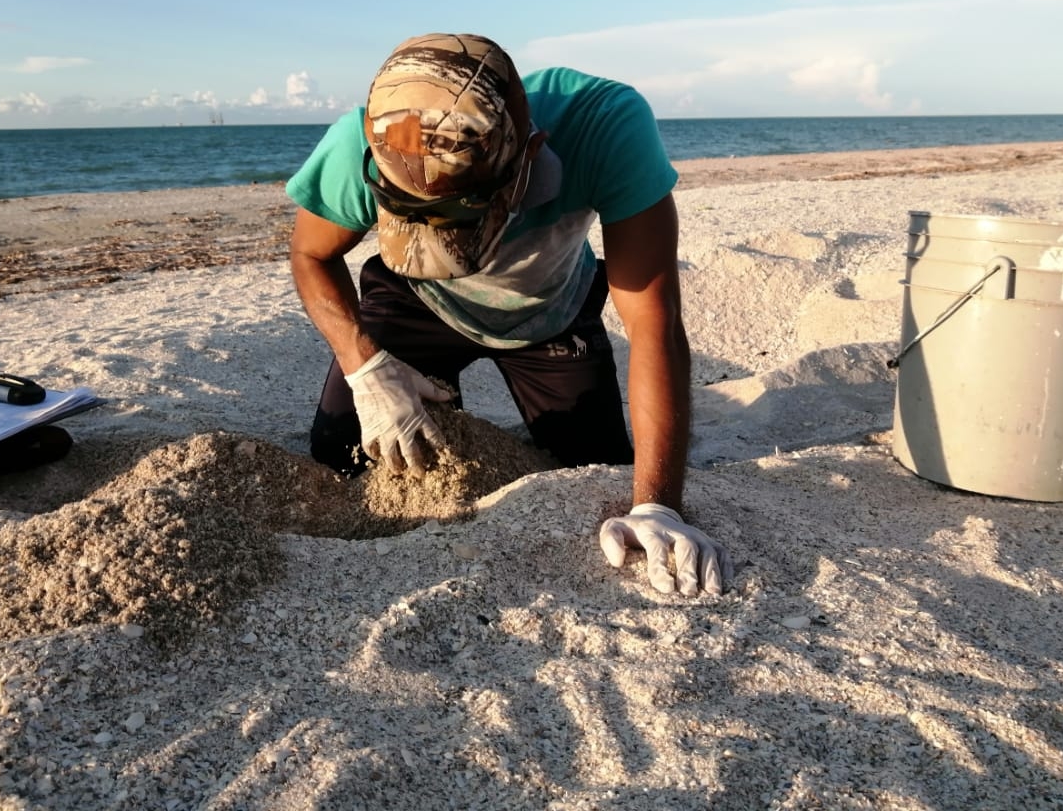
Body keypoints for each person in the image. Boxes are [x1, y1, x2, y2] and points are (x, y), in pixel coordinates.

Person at [285, 33, 732, 597]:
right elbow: (310, 254)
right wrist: (365, 365)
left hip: (549, 310)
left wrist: (659, 505)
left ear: (531, 153)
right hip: (414, 301)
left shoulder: (606, 124)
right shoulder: (371, 138)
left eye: (458, 224)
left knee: (597, 473)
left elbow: (654, 325)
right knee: (339, 455)